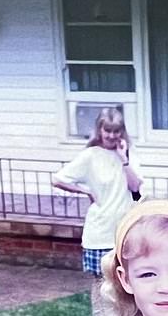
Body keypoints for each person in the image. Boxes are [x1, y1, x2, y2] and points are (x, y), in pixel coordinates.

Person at [52, 107, 142, 280]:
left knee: (127, 289)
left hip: (126, 232)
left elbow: (135, 187)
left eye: (116, 131)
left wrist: (124, 159)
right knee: (102, 291)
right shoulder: (90, 156)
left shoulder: (129, 153)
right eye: (107, 130)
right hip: (100, 234)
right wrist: (86, 191)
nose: (111, 135)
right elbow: (58, 180)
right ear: (100, 130)